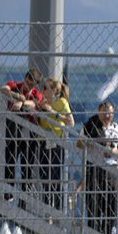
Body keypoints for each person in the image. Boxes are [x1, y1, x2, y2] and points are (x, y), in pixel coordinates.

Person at [80, 99, 118, 234]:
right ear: (99, 112)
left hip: (111, 171)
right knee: (93, 208)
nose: (107, 115)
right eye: (104, 112)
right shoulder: (90, 126)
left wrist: (114, 151)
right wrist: (90, 140)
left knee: (110, 208)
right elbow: (79, 144)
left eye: (110, 113)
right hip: (93, 170)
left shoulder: (117, 129)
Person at [1, 66, 46, 195]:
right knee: (10, 161)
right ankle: (8, 194)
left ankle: (24, 197)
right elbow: (4, 89)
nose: (29, 83)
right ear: (25, 77)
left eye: (33, 82)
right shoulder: (15, 85)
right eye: (28, 79)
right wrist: (18, 96)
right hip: (13, 129)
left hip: (29, 131)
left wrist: (22, 102)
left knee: (27, 165)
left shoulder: (36, 93)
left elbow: (35, 104)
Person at [34, 77, 73, 211]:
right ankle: (47, 209)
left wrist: (56, 115)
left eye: (46, 88)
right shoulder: (41, 102)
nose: (43, 90)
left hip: (57, 142)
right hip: (43, 142)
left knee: (56, 177)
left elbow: (70, 121)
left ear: (55, 90)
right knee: (44, 177)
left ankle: (57, 209)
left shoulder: (61, 102)